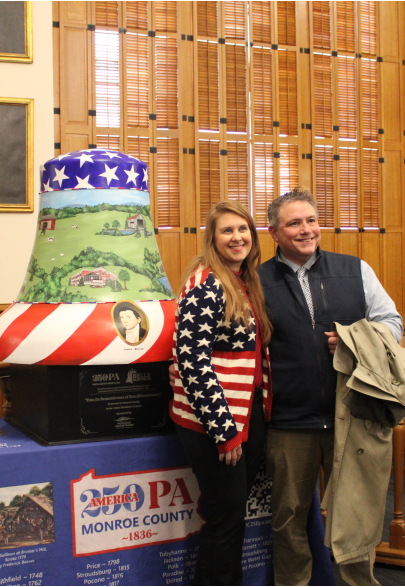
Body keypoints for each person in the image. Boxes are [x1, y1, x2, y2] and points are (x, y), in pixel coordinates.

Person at [260, 187, 402, 586]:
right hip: (289, 421)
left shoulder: (355, 269)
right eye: (294, 223)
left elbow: (393, 325)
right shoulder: (256, 281)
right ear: (274, 232)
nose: (306, 230)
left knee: (356, 513)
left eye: (311, 221)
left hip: (352, 415)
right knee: (287, 517)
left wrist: (357, 338)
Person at [170, 200, 273, 586]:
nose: (237, 237)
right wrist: (223, 430)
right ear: (212, 239)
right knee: (226, 520)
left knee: (227, 516)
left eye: (243, 229)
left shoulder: (246, 281)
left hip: (247, 416)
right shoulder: (206, 282)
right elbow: (192, 360)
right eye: (227, 230)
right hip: (215, 422)